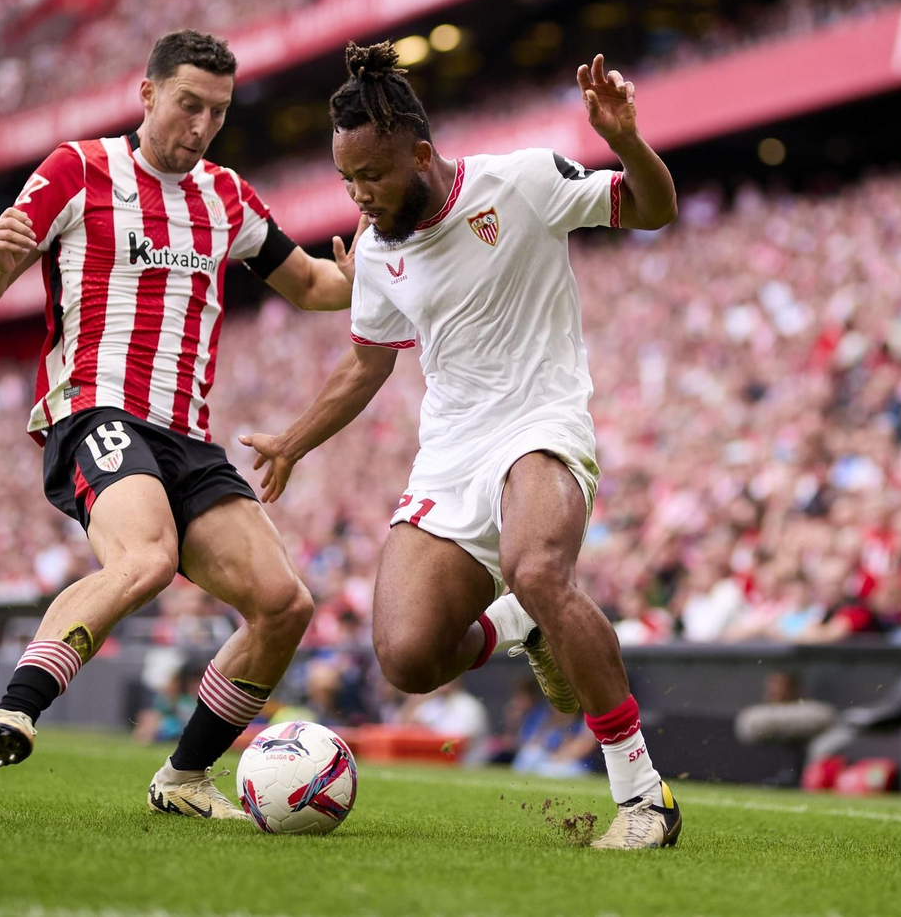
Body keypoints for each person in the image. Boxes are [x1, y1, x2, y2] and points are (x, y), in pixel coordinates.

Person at [240, 42, 682, 849]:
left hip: (542, 423)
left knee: (539, 568)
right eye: (346, 181)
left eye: (370, 176)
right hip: (451, 453)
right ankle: (521, 627)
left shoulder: (520, 183)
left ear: (419, 152)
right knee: (407, 658)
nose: (359, 196)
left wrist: (625, 141)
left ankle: (643, 799)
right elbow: (369, 361)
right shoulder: (375, 251)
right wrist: (295, 443)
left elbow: (653, 208)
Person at [0, 30, 361, 821]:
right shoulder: (78, 169)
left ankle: (182, 777)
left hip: (188, 438)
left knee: (286, 605)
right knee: (146, 559)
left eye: (217, 111)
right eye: (188, 105)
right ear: (147, 96)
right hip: (96, 412)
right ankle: (16, 709)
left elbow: (310, 284)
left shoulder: (228, 197)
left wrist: (358, 279)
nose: (202, 125)